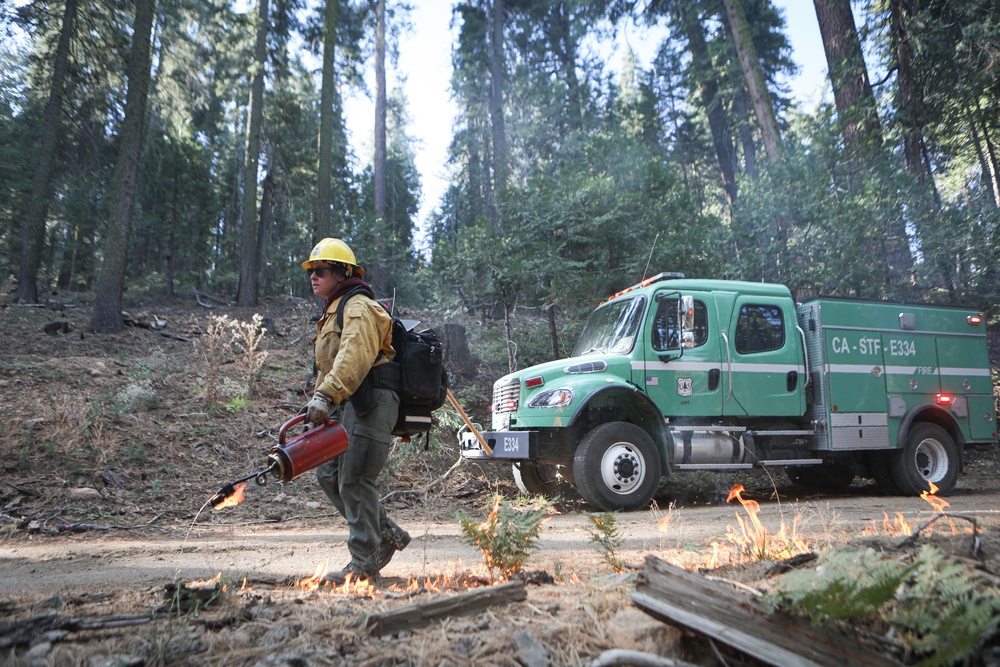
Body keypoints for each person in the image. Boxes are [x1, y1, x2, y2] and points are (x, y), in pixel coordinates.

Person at [301, 237, 410, 584]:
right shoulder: (334, 309)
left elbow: (354, 355)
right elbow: (330, 364)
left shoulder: (359, 306)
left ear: (342, 271)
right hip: (347, 401)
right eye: (311, 271)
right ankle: (387, 534)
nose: (313, 276)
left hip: (373, 400)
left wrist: (326, 395)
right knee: (328, 475)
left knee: (354, 478)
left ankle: (363, 565)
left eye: (320, 270)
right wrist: (322, 403)